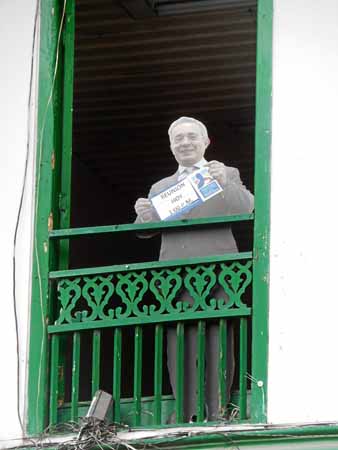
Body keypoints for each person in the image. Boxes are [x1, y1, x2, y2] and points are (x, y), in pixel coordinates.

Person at [134, 116, 254, 422]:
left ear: (206, 142)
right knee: (178, 342)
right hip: (175, 276)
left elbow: (246, 209)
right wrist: (144, 215)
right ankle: (186, 411)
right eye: (178, 139)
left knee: (218, 338)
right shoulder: (162, 186)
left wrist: (225, 182)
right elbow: (144, 231)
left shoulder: (224, 173)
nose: (185, 143)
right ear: (171, 146)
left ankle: (218, 409)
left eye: (191, 137)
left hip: (218, 272)